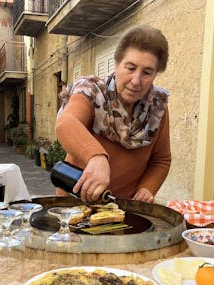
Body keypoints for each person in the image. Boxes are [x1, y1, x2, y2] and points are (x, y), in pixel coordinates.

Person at [55, 24, 171, 203]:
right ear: (117, 64)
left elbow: (161, 160)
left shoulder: (157, 107)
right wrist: (96, 157)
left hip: (123, 210)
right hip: (74, 204)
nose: (136, 81)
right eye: (130, 68)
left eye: (147, 72)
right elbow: (66, 123)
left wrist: (147, 188)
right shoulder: (91, 91)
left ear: (156, 74)